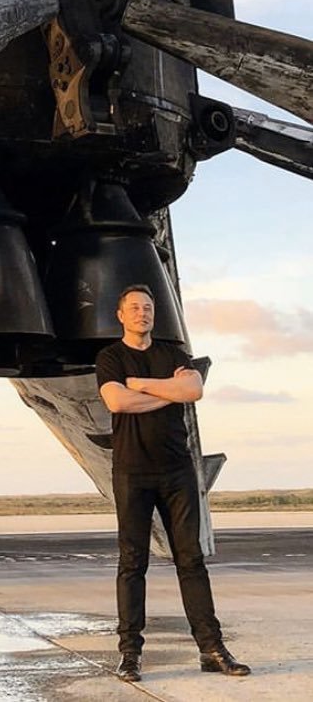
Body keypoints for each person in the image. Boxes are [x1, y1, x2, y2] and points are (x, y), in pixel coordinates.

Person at [95, 284, 250, 682]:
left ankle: (212, 650)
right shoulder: (110, 358)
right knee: (132, 564)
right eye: (134, 308)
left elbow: (194, 389)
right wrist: (170, 391)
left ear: (153, 314)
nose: (142, 313)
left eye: (147, 307)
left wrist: (142, 385)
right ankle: (130, 655)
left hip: (177, 471)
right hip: (132, 471)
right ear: (121, 315)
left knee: (191, 561)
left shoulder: (174, 354)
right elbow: (116, 402)